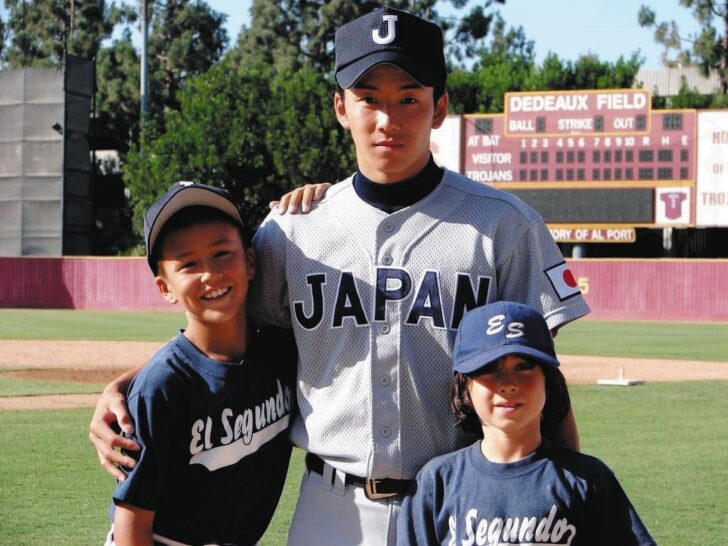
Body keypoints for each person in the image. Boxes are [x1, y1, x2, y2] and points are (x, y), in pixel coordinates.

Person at [90, 7, 591, 546]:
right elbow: (225, 336)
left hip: (462, 495)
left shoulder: (504, 225)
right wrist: (128, 385)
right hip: (332, 505)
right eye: (368, 97)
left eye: (408, 98)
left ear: (439, 107)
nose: (387, 119)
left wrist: (569, 495)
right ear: (340, 107)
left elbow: (544, 377)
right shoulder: (291, 231)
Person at [104, 181, 296, 546]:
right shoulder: (161, 387)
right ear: (165, 288)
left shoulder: (278, 353)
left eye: (222, 253)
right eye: (189, 264)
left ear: (250, 260)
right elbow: (133, 525)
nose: (209, 273)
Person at [397, 301, 656, 546]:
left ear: (549, 381)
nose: (508, 383)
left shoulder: (587, 479)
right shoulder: (437, 482)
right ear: (465, 388)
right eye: (489, 368)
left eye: (524, 366)